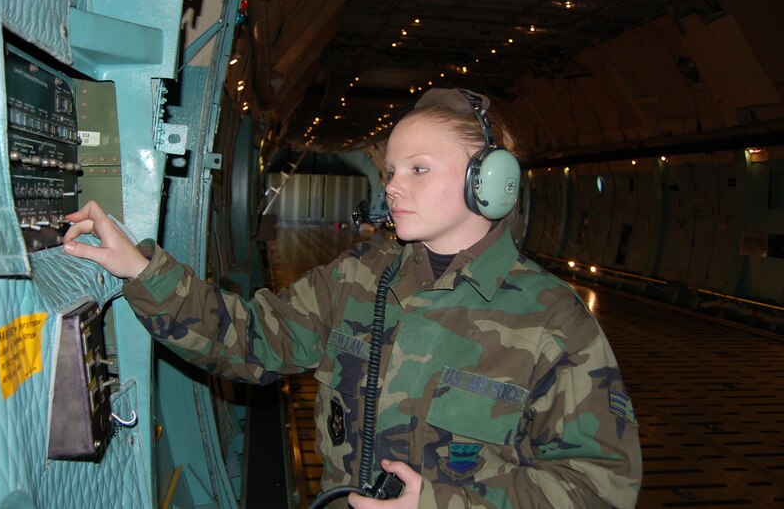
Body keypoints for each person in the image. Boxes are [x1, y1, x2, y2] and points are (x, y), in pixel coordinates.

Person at [63, 88, 642, 508]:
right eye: (391, 170)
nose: (392, 186)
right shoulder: (359, 279)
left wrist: (442, 504)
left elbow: (600, 486)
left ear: (488, 182)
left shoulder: (554, 322)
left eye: (418, 169)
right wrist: (140, 268)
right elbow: (250, 337)